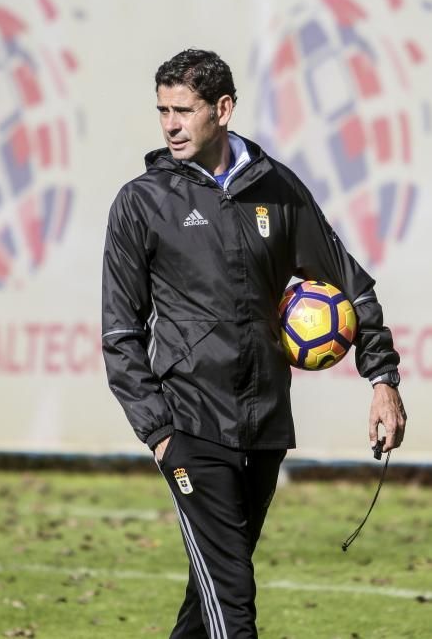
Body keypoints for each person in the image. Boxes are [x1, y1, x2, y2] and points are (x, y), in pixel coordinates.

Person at [102, 49, 407, 639]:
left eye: (183, 111)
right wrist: (159, 432)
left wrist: (383, 380)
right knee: (234, 602)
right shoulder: (142, 202)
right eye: (162, 110)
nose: (170, 124)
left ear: (223, 109)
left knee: (212, 594)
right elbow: (120, 331)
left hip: (265, 422)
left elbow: (351, 284)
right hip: (190, 425)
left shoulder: (276, 187)